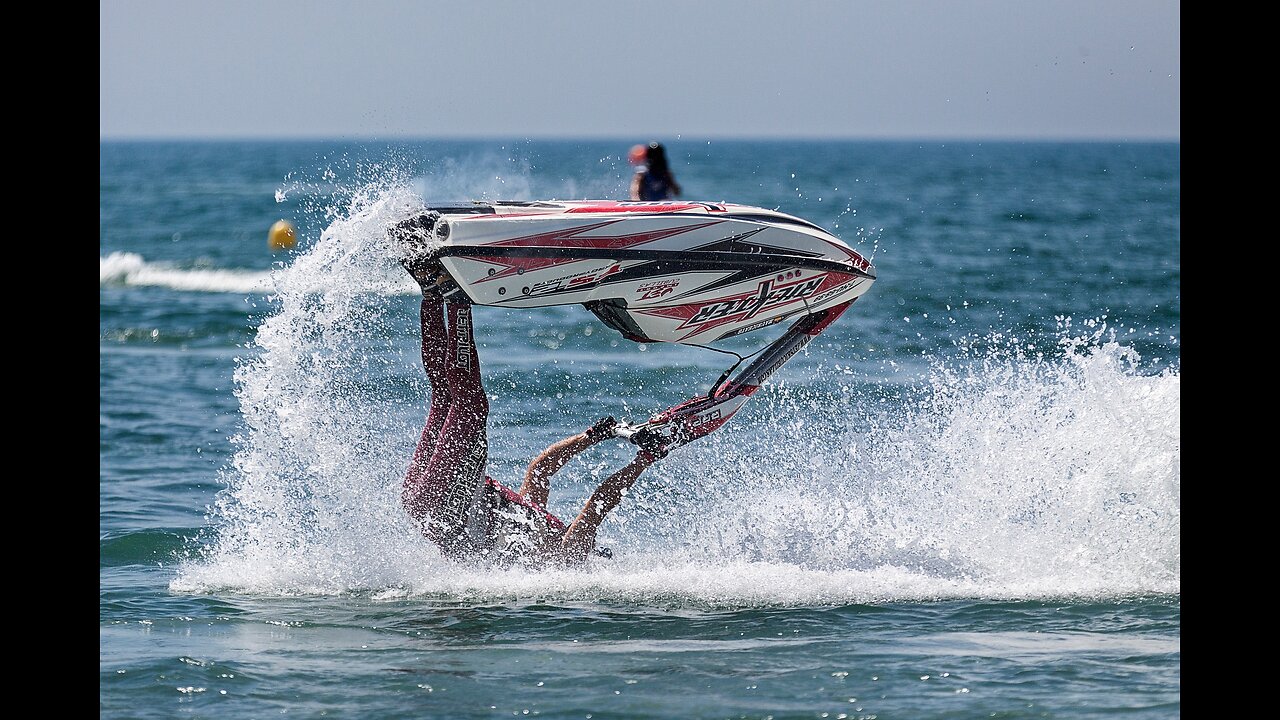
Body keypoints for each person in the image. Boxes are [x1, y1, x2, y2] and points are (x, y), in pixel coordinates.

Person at [400, 264, 662, 567]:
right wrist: (592, 436)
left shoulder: (564, 560)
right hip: (426, 501)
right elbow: (541, 470)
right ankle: (431, 291)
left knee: (470, 405)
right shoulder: (532, 523)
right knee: (445, 398)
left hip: (447, 506)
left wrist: (645, 459)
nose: (590, 545)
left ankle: (455, 299)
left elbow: (599, 503)